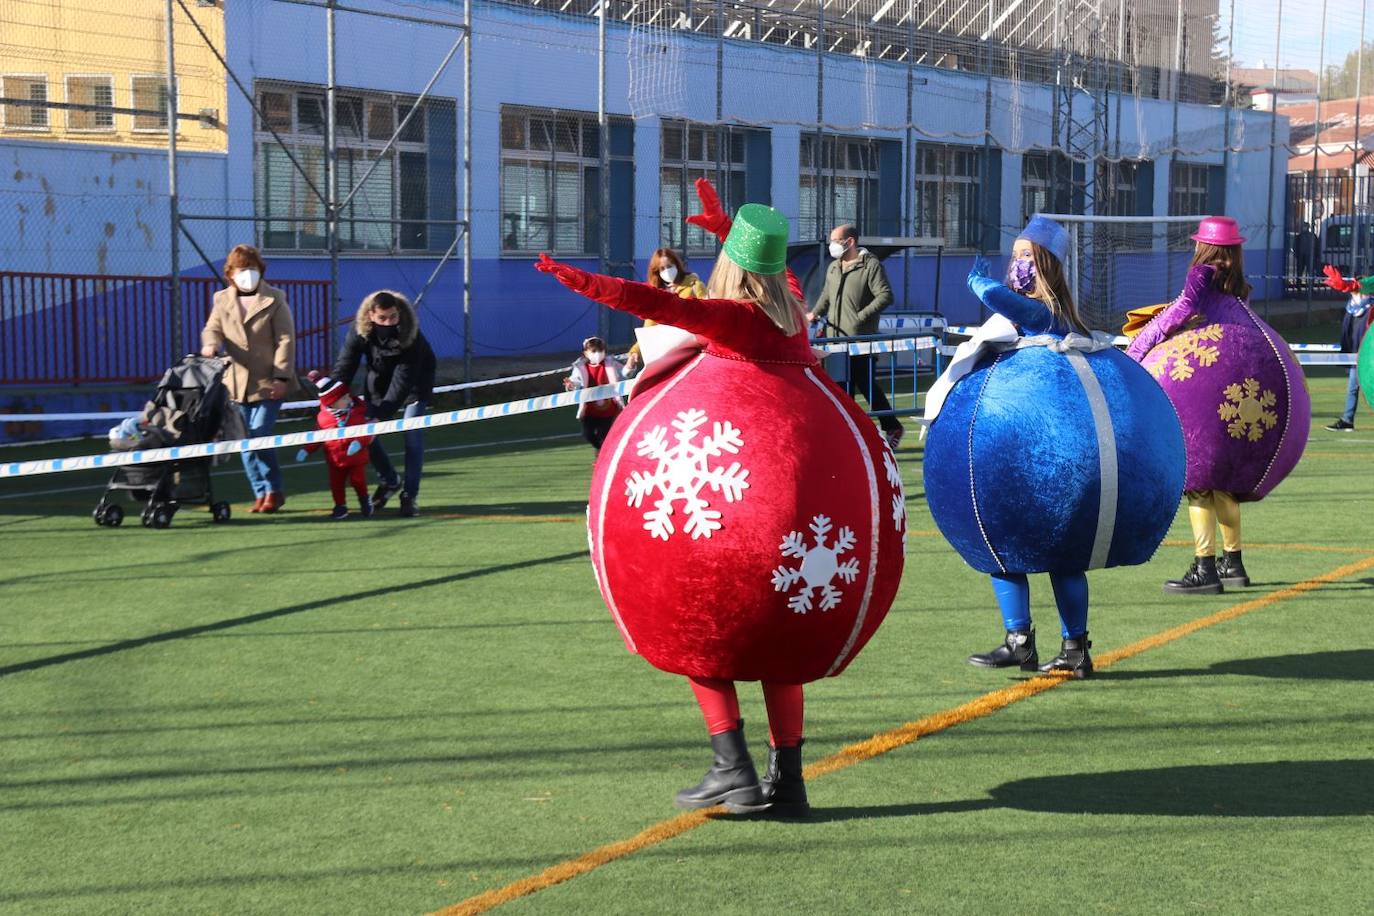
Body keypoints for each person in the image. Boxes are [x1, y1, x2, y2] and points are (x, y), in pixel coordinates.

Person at [533, 181, 904, 816]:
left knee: (690, 611)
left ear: (729, 272)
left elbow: (647, 300)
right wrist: (727, 223)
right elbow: (779, 269)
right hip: (809, 519)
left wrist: (572, 277)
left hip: (729, 501)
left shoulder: (733, 318)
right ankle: (788, 777)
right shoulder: (793, 314)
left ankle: (730, 765)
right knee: (780, 648)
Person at [1126, 216, 1310, 595]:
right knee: (1223, 486)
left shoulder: (1199, 275)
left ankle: (1203, 567)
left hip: (1204, 389)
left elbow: (1180, 311)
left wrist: (1140, 346)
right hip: (1242, 383)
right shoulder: (1237, 285)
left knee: (1199, 485)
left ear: (1204, 246)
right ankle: (1233, 562)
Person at [956, 218, 1097, 678]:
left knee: (1059, 553)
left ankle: (1069, 647)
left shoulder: (1049, 313)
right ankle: (1026, 643)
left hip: (1053, 453)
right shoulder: (1044, 314)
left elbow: (1007, 302)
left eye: (1025, 257)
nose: (1017, 264)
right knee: (1001, 542)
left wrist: (981, 285)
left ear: (1046, 266)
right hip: (1023, 448)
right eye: (1014, 256)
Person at [200, 244, 296, 513]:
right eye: (243, 270)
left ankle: (274, 489)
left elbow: (285, 339)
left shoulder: (275, 298)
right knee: (244, 441)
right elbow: (212, 328)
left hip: (269, 382)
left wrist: (281, 376)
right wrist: (210, 344)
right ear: (230, 274)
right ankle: (260, 491)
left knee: (259, 434)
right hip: (236, 384)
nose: (248, 274)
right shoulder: (221, 299)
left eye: (253, 269)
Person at [331, 290, 436, 518]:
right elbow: (345, 366)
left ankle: (410, 495)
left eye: (393, 317)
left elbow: (403, 381)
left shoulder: (411, 335)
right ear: (371, 316)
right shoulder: (359, 331)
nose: (388, 322)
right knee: (365, 431)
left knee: (412, 435)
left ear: (399, 313)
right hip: (377, 382)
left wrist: (382, 415)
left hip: (415, 383)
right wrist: (332, 398)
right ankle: (390, 480)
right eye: (382, 318)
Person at [807, 224, 904, 449]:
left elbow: (885, 296)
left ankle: (891, 426)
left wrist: (860, 317)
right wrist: (814, 313)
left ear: (849, 242)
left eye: (835, 240)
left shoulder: (870, 266)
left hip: (860, 340)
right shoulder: (834, 267)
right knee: (840, 387)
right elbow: (826, 295)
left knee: (866, 384)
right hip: (835, 338)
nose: (831, 245)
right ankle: (847, 433)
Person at [295, 372, 374, 520]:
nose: (349, 399)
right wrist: (306, 449)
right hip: (334, 459)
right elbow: (317, 436)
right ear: (332, 402)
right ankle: (340, 506)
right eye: (344, 398)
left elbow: (366, 432)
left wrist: (358, 442)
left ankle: (364, 500)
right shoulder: (323, 418)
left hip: (356, 458)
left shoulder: (357, 413)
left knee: (358, 481)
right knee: (336, 484)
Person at [625, 248, 707, 375]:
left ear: (677, 265)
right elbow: (648, 330)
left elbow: (709, 315)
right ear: (657, 272)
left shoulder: (695, 286)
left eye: (669, 266)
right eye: (662, 269)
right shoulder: (656, 296)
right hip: (667, 354)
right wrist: (635, 352)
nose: (667, 271)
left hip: (693, 351)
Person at [1320, 264, 1374, 431]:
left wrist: (1351, 285)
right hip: (1356, 356)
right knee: (1352, 387)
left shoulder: (1371, 306)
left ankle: (1347, 419)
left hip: (1369, 356)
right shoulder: (1351, 308)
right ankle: (1347, 420)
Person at [563, 336, 625, 453]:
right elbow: (576, 381)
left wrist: (630, 366)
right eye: (594, 351)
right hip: (589, 410)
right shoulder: (580, 367)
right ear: (586, 353)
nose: (598, 354)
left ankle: (602, 456)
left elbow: (625, 373)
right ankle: (601, 451)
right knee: (588, 434)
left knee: (605, 436)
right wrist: (571, 384)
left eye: (601, 351)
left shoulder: (611, 364)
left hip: (608, 409)